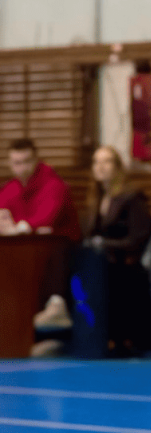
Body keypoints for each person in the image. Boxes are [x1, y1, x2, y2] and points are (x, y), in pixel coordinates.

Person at [0, 138, 81, 335]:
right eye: (17, 163)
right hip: (22, 250)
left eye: (27, 161)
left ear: (36, 160)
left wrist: (18, 228)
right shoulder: (10, 188)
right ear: (10, 164)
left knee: (52, 248)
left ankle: (57, 306)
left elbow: (47, 217)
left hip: (60, 249)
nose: (22, 168)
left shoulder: (54, 183)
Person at [85, 145, 151, 355]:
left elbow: (138, 238)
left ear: (117, 167)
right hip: (103, 265)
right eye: (96, 162)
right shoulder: (97, 198)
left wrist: (105, 244)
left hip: (126, 265)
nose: (100, 167)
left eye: (106, 161)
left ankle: (124, 339)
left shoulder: (132, 197)